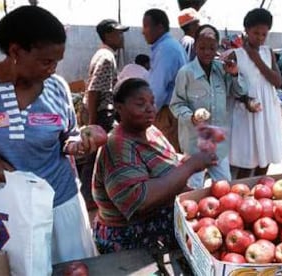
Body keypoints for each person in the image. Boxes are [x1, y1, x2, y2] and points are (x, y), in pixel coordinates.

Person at [0, 6, 98, 263]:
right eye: (45, 61)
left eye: (57, 62)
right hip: (8, 214)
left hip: (61, 206)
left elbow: (68, 136)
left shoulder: (57, 88)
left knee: (73, 268)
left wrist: (79, 143)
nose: (52, 69)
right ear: (16, 51)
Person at [92, 78, 217, 253]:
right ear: (119, 108)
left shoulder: (151, 131)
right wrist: (189, 167)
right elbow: (138, 201)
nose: (150, 108)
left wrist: (188, 160)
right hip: (130, 240)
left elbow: (166, 165)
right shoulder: (117, 146)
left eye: (152, 102)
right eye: (140, 104)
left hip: (163, 225)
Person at [170, 24, 259, 189]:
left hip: (218, 144)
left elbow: (240, 91)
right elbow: (176, 104)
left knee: (224, 185)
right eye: (202, 47)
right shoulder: (186, 73)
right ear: (195, 46)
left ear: (217, 47)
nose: (206, 52)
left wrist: (234, 74)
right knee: (193, 186)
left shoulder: (222, 70)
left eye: (211, 48)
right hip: (194, 144)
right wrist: (191, 116)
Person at [229, 8, 282, 179]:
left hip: (267, 107)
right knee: (248, 157)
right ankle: (241, 191)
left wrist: (256, 58)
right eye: (256, 33)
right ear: (246, 30)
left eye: (264, 34)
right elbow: (232, 86)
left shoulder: (268, 53)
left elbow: (277, 81)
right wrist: (245, 100)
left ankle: (261, 187)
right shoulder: (236, 55)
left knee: (266, 152)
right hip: (247, 110)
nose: (260, 38)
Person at [80, 19, 129, 209]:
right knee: (95, 157)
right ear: (108, 35)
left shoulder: (104, 54)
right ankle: (88, 198)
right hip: (101, 114)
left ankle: (94, 195)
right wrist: (93, 123)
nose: (122, 37)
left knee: (99, 157)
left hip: (101, 114)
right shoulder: (106, 57)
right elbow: (93, 90)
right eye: (118, 33)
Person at [142, 8, 188, 152]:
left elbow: (157, 89)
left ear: (160, 27)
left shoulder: (166, 49)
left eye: (146, 26)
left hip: (168, 114)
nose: (143, 31)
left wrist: (145, 116)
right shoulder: (167, 46)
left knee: (166, 160)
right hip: (172, 112)